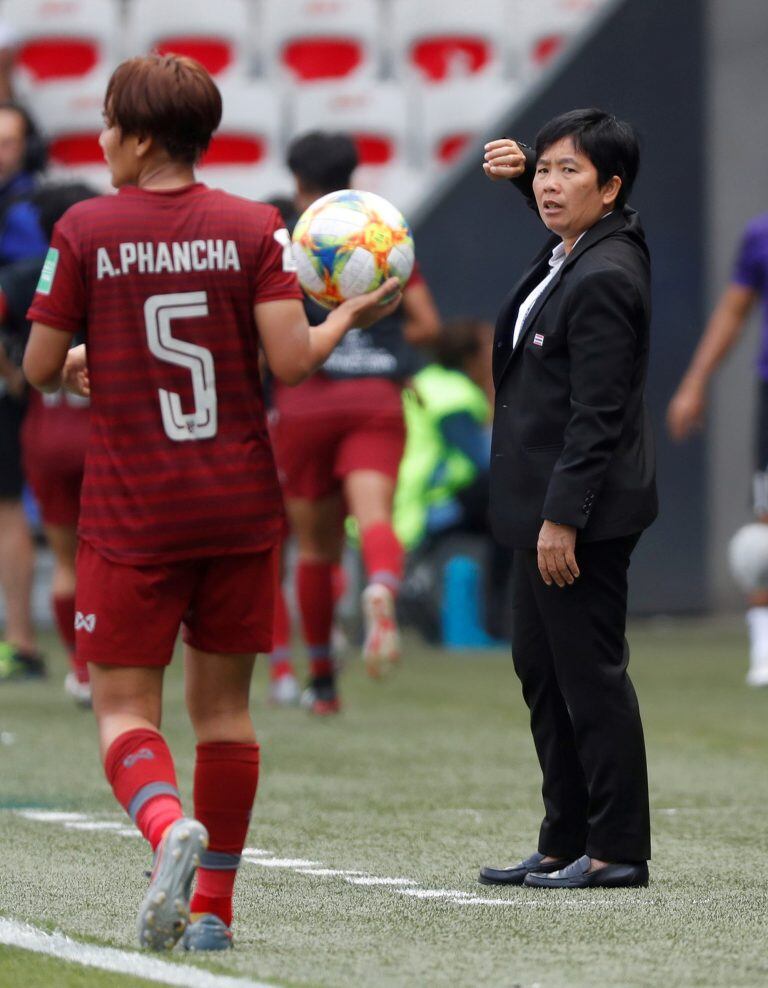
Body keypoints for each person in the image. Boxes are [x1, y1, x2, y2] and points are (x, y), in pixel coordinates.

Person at [23, 54, 401, 952]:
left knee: (125, 710)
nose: (104, 138)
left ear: (143, 135)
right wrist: (346, 316)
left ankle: (166, 829)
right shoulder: (254, 226)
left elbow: (39, 369)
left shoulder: (85, 227)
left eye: (113, 122)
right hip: (237, 502)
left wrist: (79, 366)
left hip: (133, 511)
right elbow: (293, 360)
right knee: (225, 716)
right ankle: (214, 917)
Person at [477, 109, 657, 890]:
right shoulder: (578, 249)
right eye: (544, 170)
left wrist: (564, 517)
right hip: (537, 507)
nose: (551, 186)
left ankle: (617, 849)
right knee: (542, 672)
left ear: (611, 187)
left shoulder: (608, 273)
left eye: (568, 172)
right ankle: (564, 837)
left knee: (589, 676)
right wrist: (527, 177)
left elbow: (599, 412)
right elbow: (557, 205)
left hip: (577, 514)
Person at [268, 131, 440, 713]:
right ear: (354, 170)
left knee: (313, 549)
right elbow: (428, 325)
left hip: (305, 398)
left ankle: (320, 681)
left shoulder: (285, 239)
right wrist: (384, 335)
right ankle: (380, 585)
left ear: (297, 181)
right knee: (373, 517)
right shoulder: (381, 230)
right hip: (374, 396)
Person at [667, 216, 768, 687]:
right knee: (762, 539)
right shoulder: (760, 234)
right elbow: (734, 309)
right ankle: (764, 649)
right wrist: (695, 381)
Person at [17, 183, 99, 704]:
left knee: (67, 561)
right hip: (103, 432)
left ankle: (82, 672)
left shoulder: (30, 276)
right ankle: (113, 662)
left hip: (45, 431)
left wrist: (11, 368)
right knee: (108, 559)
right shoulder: (110, 270)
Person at [0, 101, 48, 680]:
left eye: (9, 141)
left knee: (9, 505)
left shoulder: (32, 209)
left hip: (17, 377)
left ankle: (22, 639)